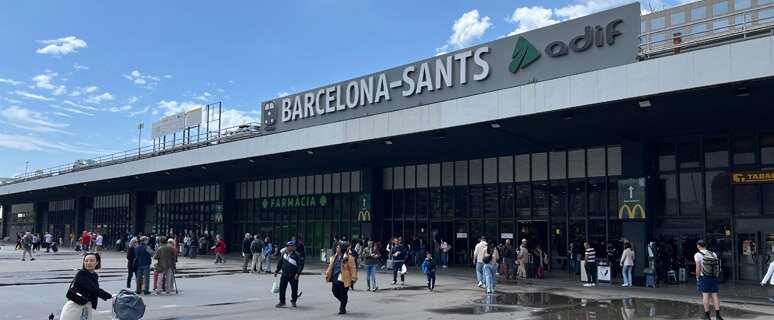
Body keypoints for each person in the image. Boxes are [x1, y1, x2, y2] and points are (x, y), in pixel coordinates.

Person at [60, 253, 115, 320]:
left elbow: (94, 290)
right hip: (75, 305)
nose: (88, 263)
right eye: (86, 261)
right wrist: (109, 296)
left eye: (91, 260)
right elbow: (93, 289)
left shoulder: (95, 275)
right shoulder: (81, 274)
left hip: (87, 305)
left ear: (97, 262)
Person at [695, 240, 723, 320]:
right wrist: (716, 275)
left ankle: (707, 316)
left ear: (698, 246)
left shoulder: (697, 255)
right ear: (705, 245)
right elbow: (717, 266)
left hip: (704, 277)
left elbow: (698, 267)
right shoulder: (713, 254)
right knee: (715, 296)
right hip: (713, 277)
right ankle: (718, 316)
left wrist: (697, 277)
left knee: (705, 296)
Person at [326, 242, 357, 314]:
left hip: (344, 278)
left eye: (338, 247)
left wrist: (354, 278)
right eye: (337, 247)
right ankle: (343, 301)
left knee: (343, 293)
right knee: (334, 291)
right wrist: (327, 273)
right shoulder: (335, 256)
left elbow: (353, 268)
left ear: (342, 249)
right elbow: (330, 266)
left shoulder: (349, 257)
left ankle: (343, 308)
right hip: (335, 277)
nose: (337, 248)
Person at [275, 241, 305, 308]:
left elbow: (300, 265)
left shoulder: (297, 255)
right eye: (287, 246)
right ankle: (282, 301)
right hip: (284, 274)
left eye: (289, 246)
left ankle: (293, 301)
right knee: (282, 288)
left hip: (293, 275)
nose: (287, 248)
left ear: (293, 247)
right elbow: (280, 263)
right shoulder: (284, 254)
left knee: (294, 289)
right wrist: (277, 271)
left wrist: (298, 273)